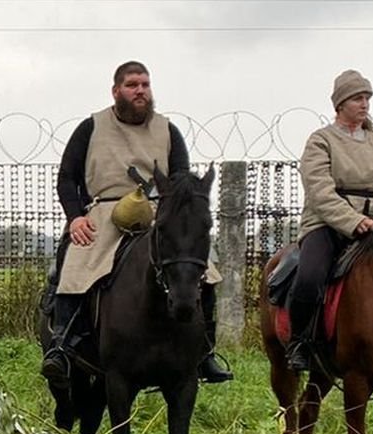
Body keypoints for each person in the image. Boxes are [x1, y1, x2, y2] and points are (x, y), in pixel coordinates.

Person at [41, 61, 232, 388]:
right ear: (116, 91)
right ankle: (63, 343)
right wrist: (75, 217)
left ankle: (204, 351)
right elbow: (67, 178)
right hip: (105, 212)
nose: (140, 91)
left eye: (145, 84)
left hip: (159, 213)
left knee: (205, 272)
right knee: (74, 266)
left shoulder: (168, 130)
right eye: (132, 85)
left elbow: (180, 182)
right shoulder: (91, 127)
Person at [284, 68, 373, 371]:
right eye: (357, 98)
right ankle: (301, 342)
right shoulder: (321, 140)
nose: (364, 104)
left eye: (367, 97)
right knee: (309, 277)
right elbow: (319, 189)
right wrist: (353, 221)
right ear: (340, 104)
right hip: (327, 224)